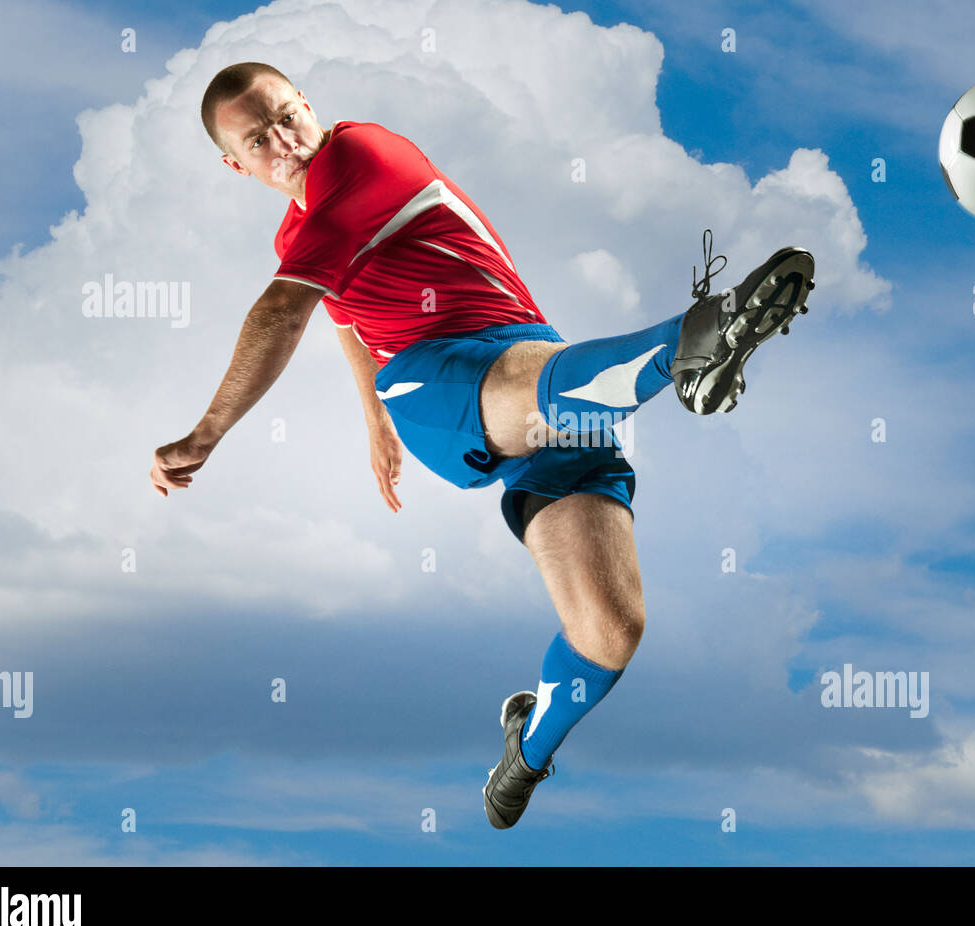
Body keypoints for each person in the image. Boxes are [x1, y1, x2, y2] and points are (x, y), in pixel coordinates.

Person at [149, 62, 816, 829]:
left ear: (308, 102)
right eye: (258, 141)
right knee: (538, 389)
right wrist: (370, 419)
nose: (284, 144)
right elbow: (331, 314)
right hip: (434, 382)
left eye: (286, 117)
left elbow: (288, 309)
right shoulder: (302, 233)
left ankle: (526, 751)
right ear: (236, 165)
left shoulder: (359, 156)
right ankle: (689, 341)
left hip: (546, 373)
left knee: (611, 629)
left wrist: (209, 431)